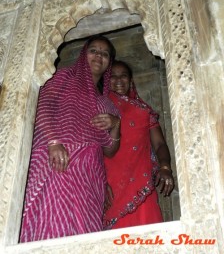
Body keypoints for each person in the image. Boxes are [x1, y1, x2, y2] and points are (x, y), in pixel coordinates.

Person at [19, 35, 121, 242]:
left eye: (105, 54)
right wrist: (54, 142)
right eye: (94, 50)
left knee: (84, 230)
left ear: (109, 62)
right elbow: (42, 106)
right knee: (53, 220)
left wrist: (116, 125)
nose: (99, 56)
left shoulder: (107, 104)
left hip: (90, 173)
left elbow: (109, 151)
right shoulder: (64, 77)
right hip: (59, 159)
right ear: (84, 54)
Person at [103, 60, 174, 230]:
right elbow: (93, 151)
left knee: (148, 233)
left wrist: (165, 167)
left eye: (124, 76)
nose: (118, 80)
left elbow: (159, 144)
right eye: (113, 76)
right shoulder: (100, 108)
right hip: (111, 186)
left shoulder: (144, 111)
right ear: (106, 81)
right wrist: (100, 183)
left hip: (141, 186)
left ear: (131, 80)